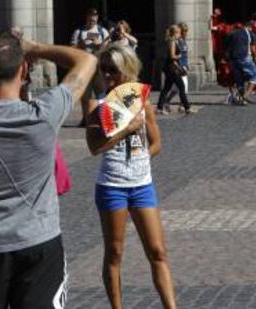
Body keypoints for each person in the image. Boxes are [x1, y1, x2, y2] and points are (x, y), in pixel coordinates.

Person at [0, 30, 97, 309]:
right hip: (39, 243)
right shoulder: (44, 116)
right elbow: (87, 60)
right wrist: (35, 47)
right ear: (24, 69)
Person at [84, 43, 176, 309]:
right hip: (112, 185)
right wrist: (126, 129)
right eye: (104, 70)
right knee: (114, 253)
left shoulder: (142, 100)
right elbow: (94, 147)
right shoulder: (97, 103)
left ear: (127, 70)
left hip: (142, 185)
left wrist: (142, 158)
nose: (108, 76)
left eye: (113, 70)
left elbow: (156, 143)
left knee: (158, 251)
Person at [71, 8, 109, 126]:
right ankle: (86, 119)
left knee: (101, 94)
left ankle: (102, 119)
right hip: (85, 68)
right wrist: (79, 45)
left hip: (99, 68)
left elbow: (110, 50)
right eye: (90, 17)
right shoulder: (78, 32)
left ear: (97, 18)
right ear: (86, 17)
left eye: (94, 17)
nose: (92, 19)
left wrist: (100, 45)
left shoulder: (103, 32)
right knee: (85, 96)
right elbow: (71, 49)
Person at [157, 25, 191, 115]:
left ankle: (159, 108)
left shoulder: (172, 41)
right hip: (172, 68)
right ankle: (187, 107)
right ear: (175, 33)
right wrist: (179, 56)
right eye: (179, 33)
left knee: (166, 88)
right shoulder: (172, 42)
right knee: (182, 87)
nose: (180, 35)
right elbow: (172, 56)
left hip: (170, 68)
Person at [225, 22, 256, 104]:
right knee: (255, 75)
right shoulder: (250, 34)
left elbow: (226, 47)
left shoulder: (231, 33)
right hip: (244, 57)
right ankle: (246, 96)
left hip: (233, 59)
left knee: (239, 79)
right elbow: (253, 48)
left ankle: (242, 99)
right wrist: (255, 57)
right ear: (249, 27)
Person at [165, 22, 189, 112]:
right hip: (179, 67)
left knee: (176, 88)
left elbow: (185, 54)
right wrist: (180, 66)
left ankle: (167, 102)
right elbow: (175, 55)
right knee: (184, 87)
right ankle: (182, 106)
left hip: (183, 65)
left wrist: (187, 65)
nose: (186, 33)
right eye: (184, 31)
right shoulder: (176, 41)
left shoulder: (183, 41)